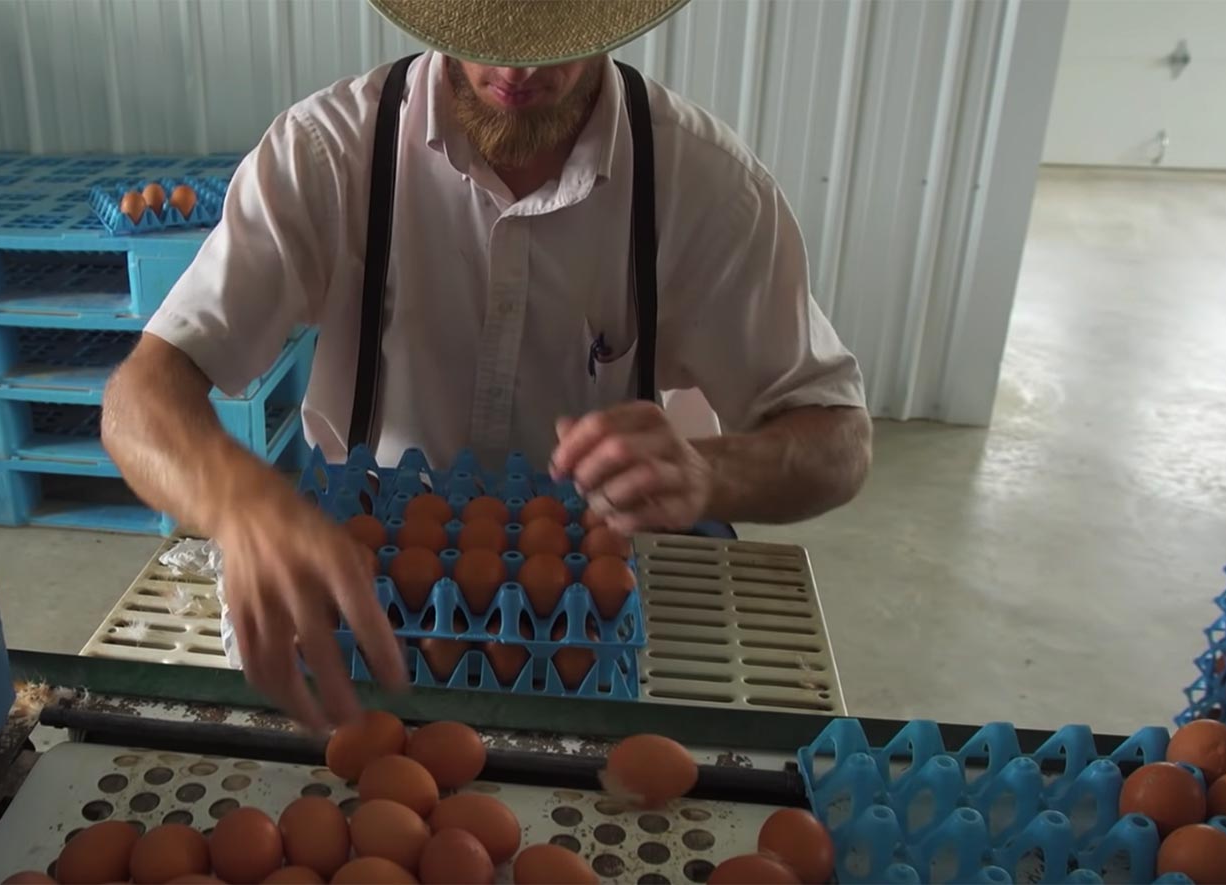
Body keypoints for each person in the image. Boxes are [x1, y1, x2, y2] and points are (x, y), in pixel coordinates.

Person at [104, 0, 872, 729]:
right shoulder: (329, 152)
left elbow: (840, 441)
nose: (515, 71)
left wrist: (713, 473)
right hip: (377, 564)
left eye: (553, 32)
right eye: (487, 24)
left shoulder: (704, 185)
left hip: (603, 583)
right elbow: (140, 397)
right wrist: (241, 505)